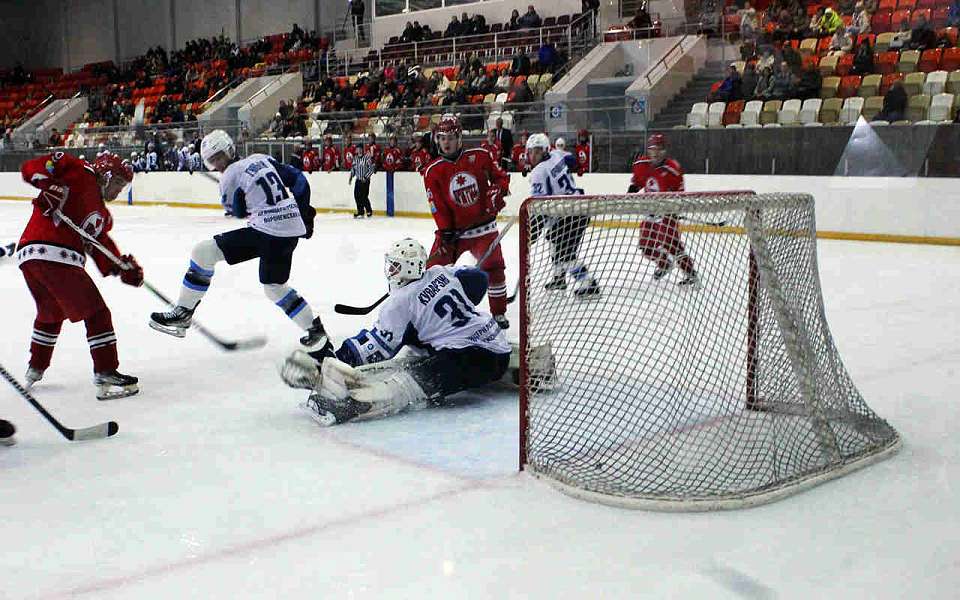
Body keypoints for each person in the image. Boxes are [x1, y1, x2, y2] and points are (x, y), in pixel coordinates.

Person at [279, 238, 511, 426]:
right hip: (498, 346)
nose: (390, 270)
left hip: (469, 360)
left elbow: (373, 348)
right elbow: (479, 279)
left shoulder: (400, 303)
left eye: (395, 266)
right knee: (414, 358)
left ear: (408, 268)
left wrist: (329, 360)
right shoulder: (442, 272)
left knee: (410, 379)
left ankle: (357, 404)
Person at [149, 130, 325, 348]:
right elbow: (299, 180)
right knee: (274, 286)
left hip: (268, 232)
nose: (218, 163)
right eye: (213, 160)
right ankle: (315, 329)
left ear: (229, 151)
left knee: (203, 253)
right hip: (289, 231)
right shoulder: (261, 158)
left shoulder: (229, 177)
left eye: (219, 157)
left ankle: (183, 312)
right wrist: (303, 212)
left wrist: (240, 203)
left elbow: (238, 212)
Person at [17, 151, 142, 399]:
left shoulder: (103, 216)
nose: (118, 191)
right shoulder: (78, 170)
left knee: (50, 313)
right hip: (53, 252)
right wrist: (47, 185)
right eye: (118, 183)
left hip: (32, 256)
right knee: (97, 313)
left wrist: (122, 267)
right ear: (106, 175)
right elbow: (34, 166)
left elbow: (100, 245)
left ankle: (36, 366)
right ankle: (106, 370)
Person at [422, 115, 511, 329]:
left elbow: (501, 178)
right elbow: (437, 205)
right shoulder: (432, 170)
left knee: (494, 268)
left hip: (484, 229)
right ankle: (423, 316)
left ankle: (498, 313)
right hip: (454, 234)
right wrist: (445, 230)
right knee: (431, 273)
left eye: (451, 137)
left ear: (459, 137)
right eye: (442, 138)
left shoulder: (480, 156)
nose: (446, 142)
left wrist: (497, 192)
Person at [526, 133, 600, 297]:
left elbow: (540, 208)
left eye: (537, 152)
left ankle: (589, 283)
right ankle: (559, 278)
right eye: (530, 152)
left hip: (570, 213)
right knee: (554, 241)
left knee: (565, 255)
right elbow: (571, 161)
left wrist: (532, 233)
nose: (533, 155)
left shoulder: (538, 172)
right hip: (574, 207)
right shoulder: (556, 155)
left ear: (545, 150)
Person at [629, 134, 699, 288]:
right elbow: (637, 183)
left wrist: (674, 208)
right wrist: (632, 190)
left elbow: (680, 195)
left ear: (664, 150)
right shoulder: (642, 165)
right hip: (650, 213)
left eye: (658, 149)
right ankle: (664, 264)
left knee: (671, 245)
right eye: (652, 149)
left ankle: (691, 275)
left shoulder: (673, 169)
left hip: (666, 213)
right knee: (646, 247)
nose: (654, 153)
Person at [349, 147, 376, 218]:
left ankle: (369, 211)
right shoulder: (355, 158)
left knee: (364, 196)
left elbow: (371, 169)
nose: (358, 150)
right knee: (357, 196)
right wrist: (351, 177)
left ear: (361, 149)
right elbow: (353, 169)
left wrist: (366, 177)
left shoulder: (367, 157)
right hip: (358, 180)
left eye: (359, 149)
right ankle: (360, 212)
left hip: (365, 180)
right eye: (357, 149)